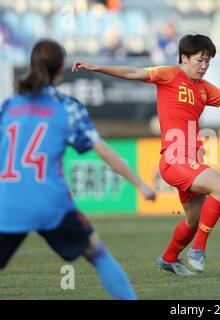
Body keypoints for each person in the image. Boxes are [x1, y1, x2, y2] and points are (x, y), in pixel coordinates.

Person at [72, 34, 220, 276]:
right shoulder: (169, 74)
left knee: (193, 221)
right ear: (184, 58)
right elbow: (131, 73)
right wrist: (96, 67)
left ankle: (169, 258)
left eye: (208, 61)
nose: (204, 66)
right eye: (200, 60)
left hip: (191, 161)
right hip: (174, 160)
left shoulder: (204, 89)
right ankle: (198, 250)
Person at [0, 39, 157, 299]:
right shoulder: (68, 108)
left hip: (6, 203)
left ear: (30, 66)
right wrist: (140, 184)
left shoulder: (8, 107)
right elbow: (104, 151)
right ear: (61, 69)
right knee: (98, 254)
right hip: (50, 203)